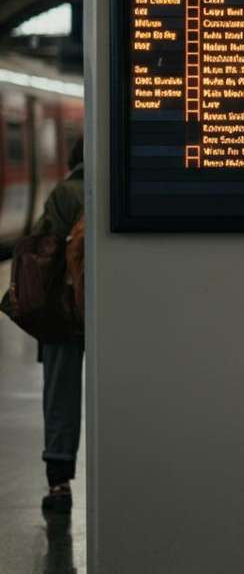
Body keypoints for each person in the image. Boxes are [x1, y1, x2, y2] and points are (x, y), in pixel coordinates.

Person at [37, 137, 85, 513]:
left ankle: (59, 481)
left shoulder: (65, 193)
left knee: (60, 387)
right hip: (121, 311)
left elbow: (41, 250)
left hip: (66, 312)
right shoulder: (128, 189)